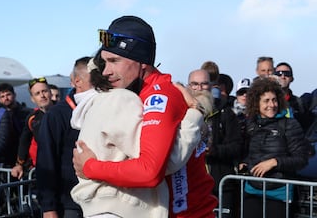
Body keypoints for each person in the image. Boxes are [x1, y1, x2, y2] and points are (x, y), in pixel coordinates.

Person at [73, 16, 217, 217]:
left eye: (115, 61)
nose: (106, 71)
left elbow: (149, 171)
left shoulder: (158, 96)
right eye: (104, 62)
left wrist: (91, 167)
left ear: (142, 63)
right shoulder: (138, 92)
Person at [239, 78, 308, 218]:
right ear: (256, 103)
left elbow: (301, 159)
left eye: (274, 100)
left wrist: (274, 162)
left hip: (278, 192)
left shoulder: (290, 125)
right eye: (266, 100)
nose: (272, 104)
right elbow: (247, 151)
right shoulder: (250, 124)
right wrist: (244, 162)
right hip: (252, 190)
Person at [35, 58, 90, 218]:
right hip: (69, 203)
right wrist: (48, 207)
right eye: (95, 80)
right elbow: (46, 161)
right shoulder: (56, 115)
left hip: (98, 200)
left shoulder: (101, 107)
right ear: (77, 81)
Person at [187, 69, 243, 217]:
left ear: (211, 87)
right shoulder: (180, 110)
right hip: (188, 185)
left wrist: (214, 150)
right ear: (188, 86)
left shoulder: (226, 113)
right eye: (194, 84)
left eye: (204, 84)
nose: (199, 88)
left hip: (220, 183)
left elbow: (237, 146)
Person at [11, 77, 53, 179]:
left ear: (50, 93)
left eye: (44, 91)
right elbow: (24, 142)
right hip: (43, 170)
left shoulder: (63, 113)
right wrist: (19, 164)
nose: (42, 96)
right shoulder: (32, 118)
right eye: (37, 93)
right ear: (32, 99)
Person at [0, 83, 32, 166]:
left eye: (8, 95)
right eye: (2, 96)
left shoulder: (27, 113)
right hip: (6, 157)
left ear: (14, 95)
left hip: (24, 155)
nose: (6, 98)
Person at [274, 62, 308, 130]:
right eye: (279, 74)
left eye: (287, 74)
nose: (283, 77)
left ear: (292, 78)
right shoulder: (266, 101)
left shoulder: (299, 103)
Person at [232, 78, 251, 159]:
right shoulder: (229, 113)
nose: (245, 95)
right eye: (241, 92)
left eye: (248, 92)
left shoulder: (259, 113)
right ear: (236, 95)